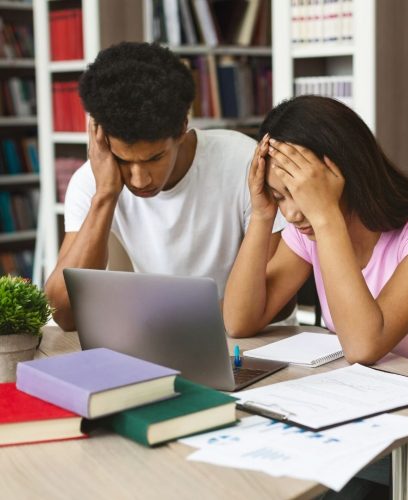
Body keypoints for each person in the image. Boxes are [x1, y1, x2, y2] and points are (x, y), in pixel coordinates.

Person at [223, 95, 408, 494]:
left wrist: (326, 216)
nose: (293, 214)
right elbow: (240, 319)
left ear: (344, 173)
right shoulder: (308, 231)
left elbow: (364, 345)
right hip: (381, 395)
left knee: (317, 446)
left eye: (301, 193)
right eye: (280, 196)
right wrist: (262, 215)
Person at [45, 42, 285, 332]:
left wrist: (165, 324)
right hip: (163, 337)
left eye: (154, 158)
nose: (139, 179)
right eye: (124, 160)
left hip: (252, 339)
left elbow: (276, 300)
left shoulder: (245, 164)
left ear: (183, 125)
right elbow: (65, 315)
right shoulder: (92, 182)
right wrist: (105, 196)